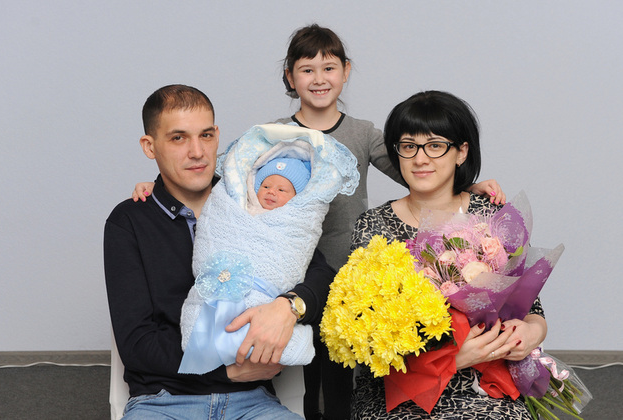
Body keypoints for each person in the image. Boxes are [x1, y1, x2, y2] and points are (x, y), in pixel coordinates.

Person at [131, 25, 506, 420]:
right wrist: (160, 186)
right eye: (306, 70)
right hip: (292, 273)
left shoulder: (362, 133)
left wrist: (468, 184)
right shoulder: (274, 134)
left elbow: (417, 167)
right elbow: (233, 181)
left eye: (329, 68)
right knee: (306, 371)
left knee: (346, 369)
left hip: (350, 271)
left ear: (345, 71)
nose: (319, 78)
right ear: (290, 77)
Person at [104, 84, 336, 419]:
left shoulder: (254, 200)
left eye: (206, 135)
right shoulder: (129, 221)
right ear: (149, 146)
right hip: (163, 402)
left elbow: (322, 276)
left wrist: (289, 307)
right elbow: (137, 343)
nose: (197, 152)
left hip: (253, 401)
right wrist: (225, 372)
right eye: (178, 138)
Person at [350, 90, 547, 419]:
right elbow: (366, 333)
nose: (420, 159)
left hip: (486, 380)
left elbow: (532, 309)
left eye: (435, 145)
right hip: (402, 387)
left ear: (461, 152)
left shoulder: (489, 214)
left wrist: (531, 334)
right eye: (409, 146)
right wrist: (452, 359)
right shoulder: (373, 226)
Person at [178, 123, 359, 376]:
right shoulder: (234, 203)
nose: (271, 192)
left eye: (282, 189)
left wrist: (289, 305)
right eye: (265, 186)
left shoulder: (292, 220)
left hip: (267, 304)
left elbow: (322, 276)